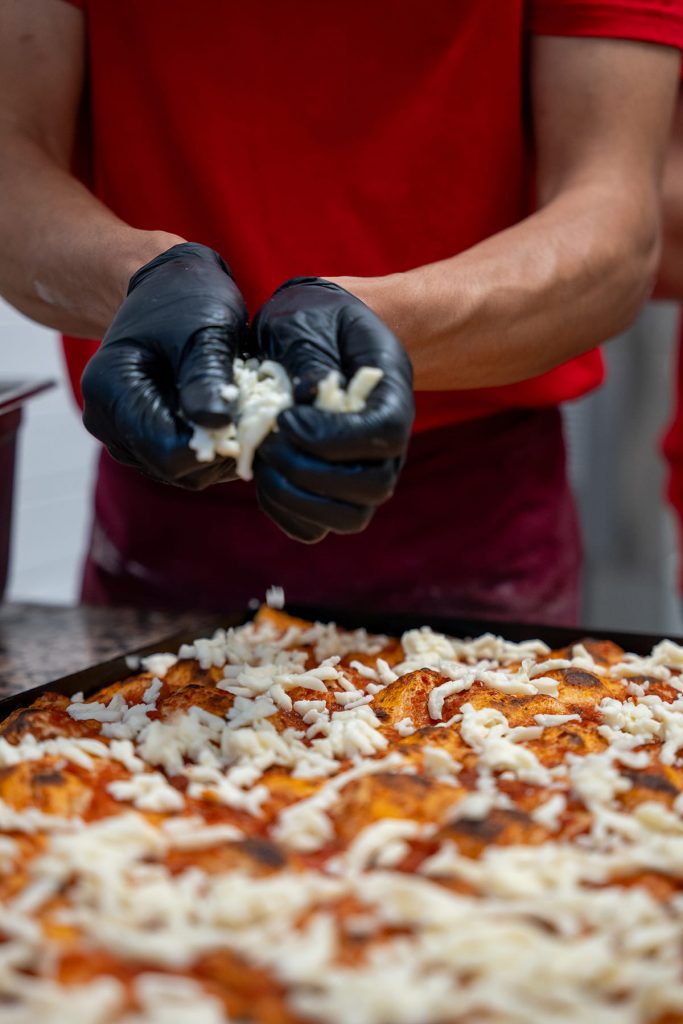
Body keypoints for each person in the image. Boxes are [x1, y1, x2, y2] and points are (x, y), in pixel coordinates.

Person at [0, 1, 681, 622]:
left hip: (476, 512)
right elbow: (12, 163)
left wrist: (374, 326)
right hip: (164, 495)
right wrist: (143, 280)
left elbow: (615, 231)